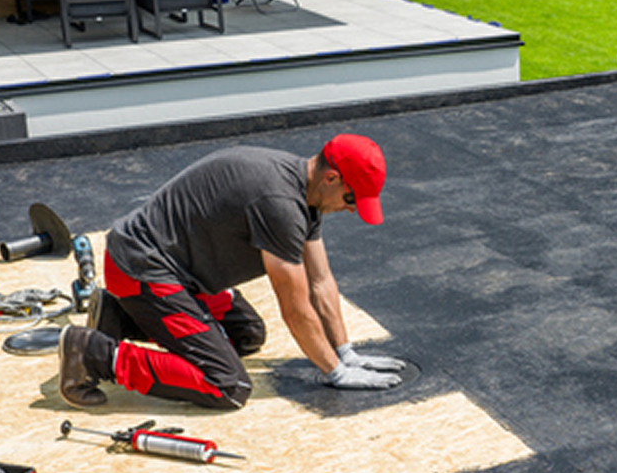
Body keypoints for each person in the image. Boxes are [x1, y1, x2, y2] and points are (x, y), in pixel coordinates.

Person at [57, 135, 405, 410]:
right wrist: (336, 373)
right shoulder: (281, 205)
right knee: (226, 385)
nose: (350, 210)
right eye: (351, 200)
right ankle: (92, 354)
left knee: (246, 333)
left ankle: (117, 319)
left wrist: (346, 352)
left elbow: (321, 281)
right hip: (142, 269)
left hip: (174, 270)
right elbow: (296, 310)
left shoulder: (306, 194)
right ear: (332, 178)